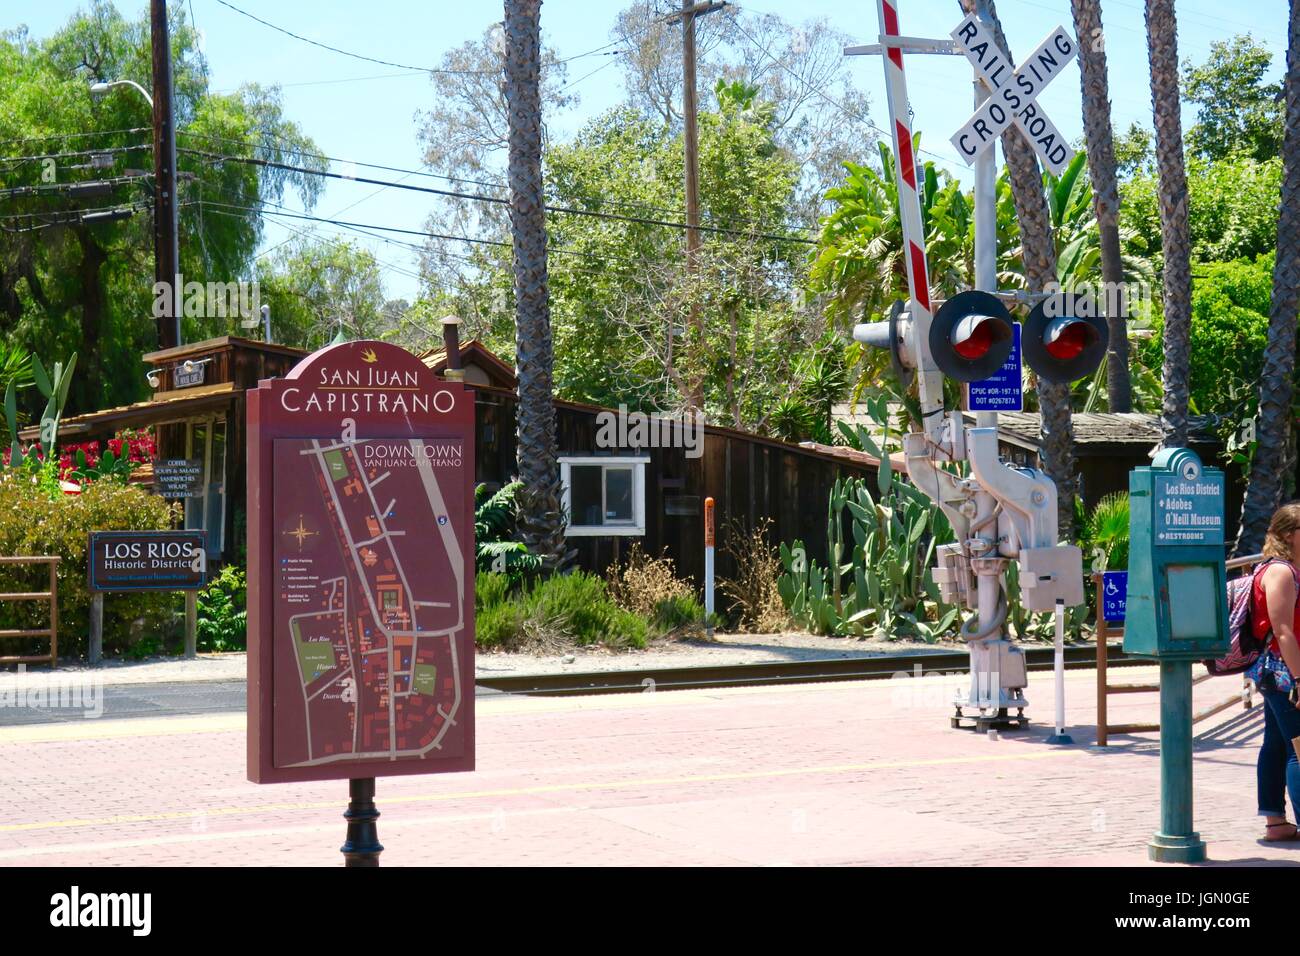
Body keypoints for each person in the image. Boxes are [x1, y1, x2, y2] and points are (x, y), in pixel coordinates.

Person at [1250, 502, 1300, 841]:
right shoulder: (1281, 572)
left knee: (1277, 744)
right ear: (1287, 535)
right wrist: (1299, 679)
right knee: (1299, 747)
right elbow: (1283, 631)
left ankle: (1275, 822)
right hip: (1284, 671)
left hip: (1276, 670)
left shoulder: (1283, 568)